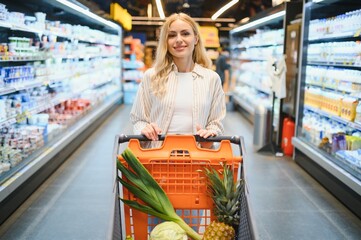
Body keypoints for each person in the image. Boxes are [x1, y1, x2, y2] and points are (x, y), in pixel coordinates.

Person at [130, 12, 226, 148]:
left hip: (198, 159)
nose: (179, 39)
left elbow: (216, 122)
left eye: (185, 33)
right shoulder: (151, 77)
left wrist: (210, 135)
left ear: (196, 39)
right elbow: (139, 119)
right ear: (166, 42)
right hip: (158, 159)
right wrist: (144, 129)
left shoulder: (211, 78)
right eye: (172, 35)